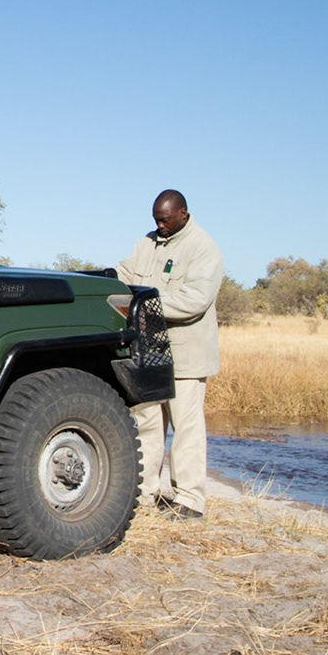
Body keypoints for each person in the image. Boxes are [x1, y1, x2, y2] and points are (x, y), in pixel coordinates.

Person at [115, 189, 224, 521]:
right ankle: (145, 493)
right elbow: (125, 273)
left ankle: (189, 499)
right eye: (156, 220)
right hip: (149, 350)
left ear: (183, 214)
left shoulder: (203, 248)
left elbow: (195, 300)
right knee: (146, 422)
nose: (159, 226)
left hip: (187, 356)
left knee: (185, 427)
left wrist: (142, 303)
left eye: (164, 220)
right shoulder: (146, 243)